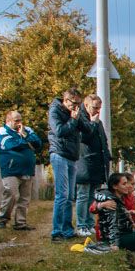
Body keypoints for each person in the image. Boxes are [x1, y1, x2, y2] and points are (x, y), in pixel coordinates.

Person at [48, 89, 90, 241]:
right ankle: (57, 231)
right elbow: (59, 131)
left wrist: (80, 118)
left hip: (72, 156)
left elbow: (87, 130)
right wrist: (73, 120)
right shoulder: (55, 111)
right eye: (74, 103)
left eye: (79, 104)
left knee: (70, 196)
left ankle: (67, 230)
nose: (77, 106)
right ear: (66, 101)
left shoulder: (76, 112)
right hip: (59, 154)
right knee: (62, 194)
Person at [0, 110, 43, 230]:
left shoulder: (27, 130)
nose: (19, 123)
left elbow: (38, 143)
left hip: (27, 169)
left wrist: (24, 135)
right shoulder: (1, 132)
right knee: (11, 193)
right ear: (8, 121)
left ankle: (21, 223)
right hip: (11, 170)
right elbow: (10, 145)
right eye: (16, 121)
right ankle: (3, 218)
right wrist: (26, 142)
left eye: (20, 120)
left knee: (24, 198)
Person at [74, 95, 111, 237]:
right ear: (86, 105)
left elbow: (103, 142)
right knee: (83, 196)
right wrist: (93, 124)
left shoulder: (98, 121)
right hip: (84, 163)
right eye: (95, 108)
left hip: (97, 164)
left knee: (92, 196)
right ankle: (81, 225)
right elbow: (83, 138)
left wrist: (107, 157)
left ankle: (89, 224)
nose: (97, 111)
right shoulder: (80, 119)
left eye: (99, 108)